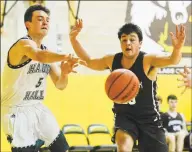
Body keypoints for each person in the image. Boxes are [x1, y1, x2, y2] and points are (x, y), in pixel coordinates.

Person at [69, 19, 186, 152]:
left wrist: (177, 48)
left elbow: (173, 60)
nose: (128, 43)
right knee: (123, 147)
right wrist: (73, 40)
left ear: (140, 43)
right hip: (125, 116)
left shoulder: (148, 60)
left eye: (132, 39)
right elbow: (89, 62)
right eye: (124, 40)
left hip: (149, 119)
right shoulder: (112, 60)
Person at [1, 5, 86, 152]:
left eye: (47, 20)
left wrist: (64, 73)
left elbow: (60, 85)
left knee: (62, 148)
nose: (45, 22)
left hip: (37, 108)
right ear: (28, 24)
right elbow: (38, 55)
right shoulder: (22, 45)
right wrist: (66, 56)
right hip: (16, 112)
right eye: (40, 19)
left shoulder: (46, 51)